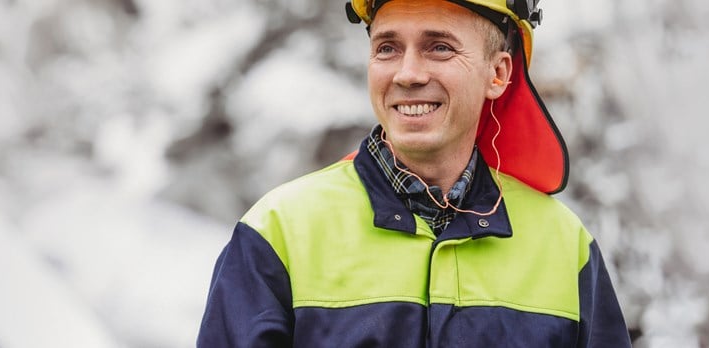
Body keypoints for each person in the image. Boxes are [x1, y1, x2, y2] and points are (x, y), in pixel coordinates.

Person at [197, 0, 631, 346]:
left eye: (439, 47)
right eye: (387, 48)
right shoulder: (278, 233)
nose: (407, 74)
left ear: (498, 73)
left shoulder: (565, 246)